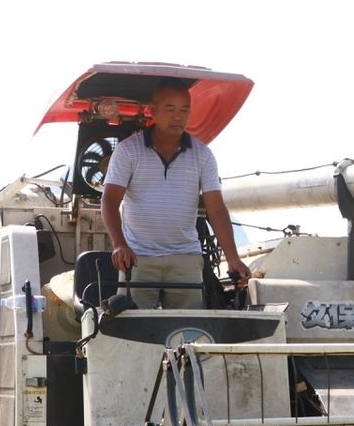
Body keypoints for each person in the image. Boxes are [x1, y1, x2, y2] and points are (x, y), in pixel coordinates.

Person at [102, 78, 250, 310]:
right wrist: (119, 244)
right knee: (133, 332)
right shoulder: (127, 150)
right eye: (170, 109)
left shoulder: (203, 155)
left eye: (184, 109)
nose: (178, 116)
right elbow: (109, 201)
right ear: (152, 111)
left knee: (189, 330)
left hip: (186, 258)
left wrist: (233, 257)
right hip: (139, 258)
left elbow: (216, 209)